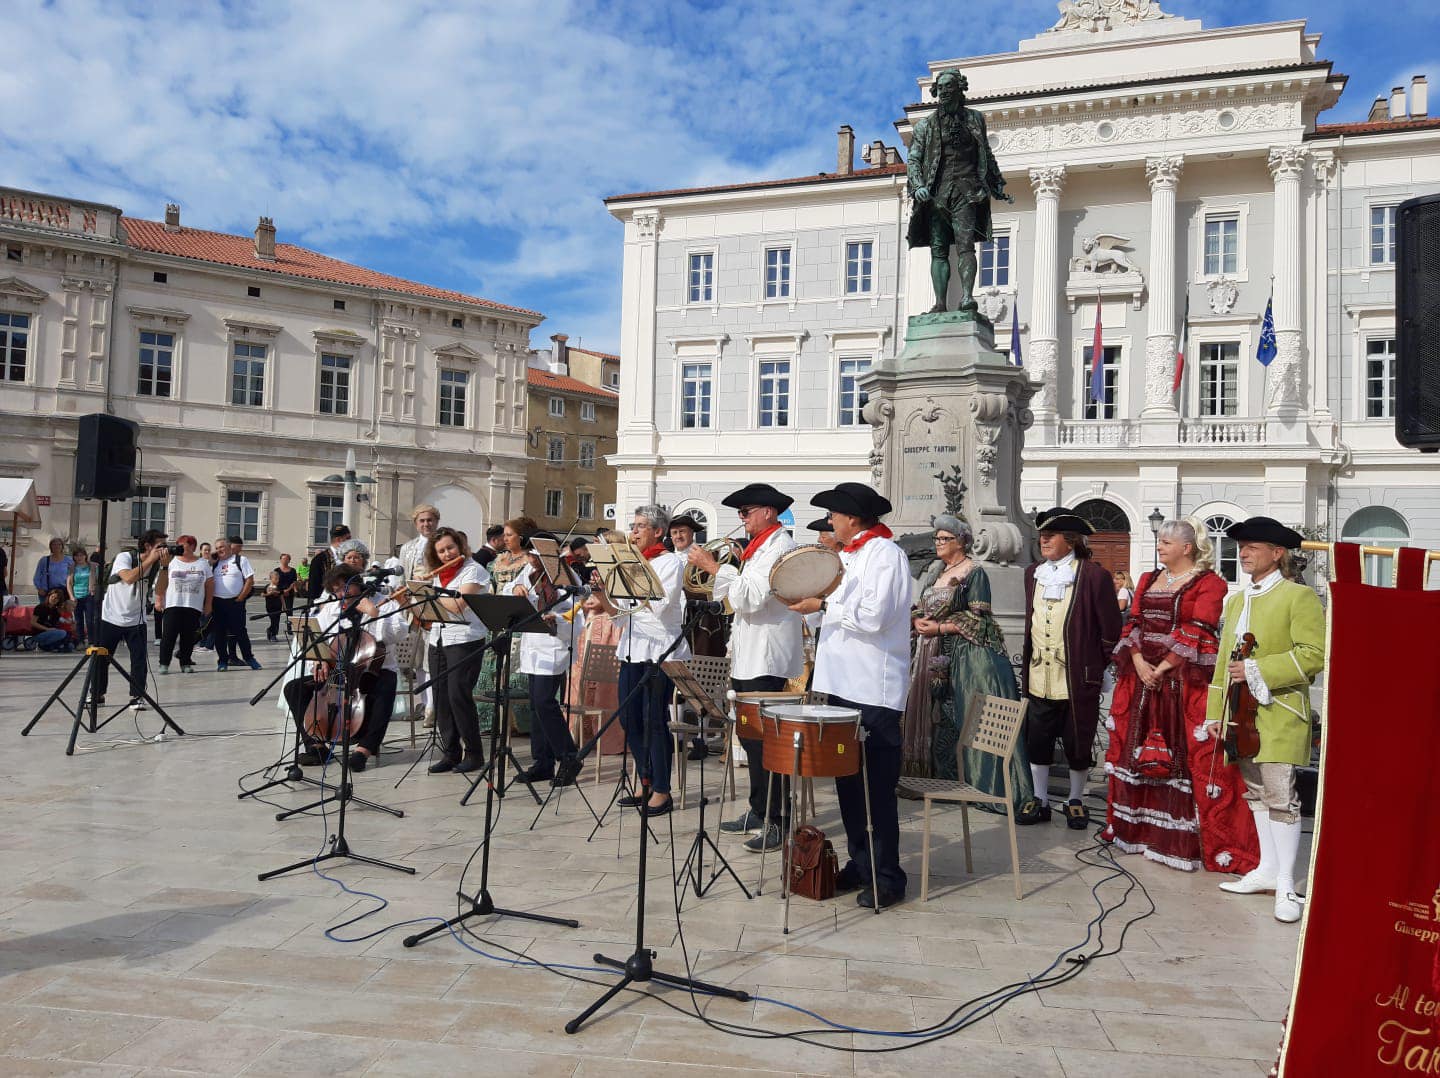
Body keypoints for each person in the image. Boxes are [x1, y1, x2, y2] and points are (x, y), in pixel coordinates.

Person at [1105, 519, 1259, 874]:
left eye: (1166, 542)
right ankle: (1139, 831)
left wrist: (1162, 668)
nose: (1159, 547)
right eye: (1160, 542)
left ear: (1187, 548)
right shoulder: (1146, 579)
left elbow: (1199, 628)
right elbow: (1134, 623)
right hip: (1144, 680)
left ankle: (1187, 840)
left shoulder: (1210, 583)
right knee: (1137, 752)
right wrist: (1142, 663)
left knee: (1191, 757)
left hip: (1184, 681)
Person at [788, 482, 911, 909]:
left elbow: (876, 618)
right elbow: (837, 620)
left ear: (853, 518)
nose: (830, 523)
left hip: (872, 689)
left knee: (875, 788)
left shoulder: (887, 555)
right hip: (839, 686)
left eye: (835, 516)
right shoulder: (846, 557)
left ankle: (888, 875)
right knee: (847, 784)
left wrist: (822, 607)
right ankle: (861, 863)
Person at [1205, 517, 1326, 924]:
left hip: (1279, 712)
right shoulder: (1237, 600)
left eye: (1252, 546)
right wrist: (1214, 713)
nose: (1243, 552)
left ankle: (1288, 885)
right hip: (1241, 715)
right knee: (1255, 794)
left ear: (1277, 553)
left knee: (1281, 797)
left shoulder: (1298, 597)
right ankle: (1267, 871)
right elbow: (1224, 662)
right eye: (1241, 546)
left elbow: (1314, 654)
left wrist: (1259, 669)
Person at [694, 483, 804, 853]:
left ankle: (778, 819)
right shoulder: (757, 549)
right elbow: (735, 598)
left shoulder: (781, 548)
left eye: (746, 512)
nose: (742, 519)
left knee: (769, 743)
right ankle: (759, 809)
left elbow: (752, 598)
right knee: (751, 739)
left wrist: (713, 567)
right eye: (740, 513)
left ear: (768, 512)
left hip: (767, 657)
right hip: (747, 653)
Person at [904, 515, 1033, 810]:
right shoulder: (936, 572)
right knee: (940, 716)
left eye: (944, 538)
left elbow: (980, 620)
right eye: (936, 538)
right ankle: (943, 778)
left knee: (965, 715)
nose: (938, 543)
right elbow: (922, 608)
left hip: (964, 654)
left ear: (961, 541)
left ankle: (980, 783)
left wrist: (939, 628)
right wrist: (918, 620)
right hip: (932, 651)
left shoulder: (974, 572)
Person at [1017, 508, 1123, 829]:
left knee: (1079, 740)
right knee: (1038, 740)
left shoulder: (1093, 575)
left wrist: (1095, 665)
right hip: (1039, 675)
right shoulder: (1032, 573)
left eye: (1052, 534)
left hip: (1077, 678)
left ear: (1072, 540)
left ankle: (1075, 799)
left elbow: (1110, 629)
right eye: (1042, 535)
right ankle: (1041, 799)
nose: (1044, 540)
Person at [593, 504, 691, 816]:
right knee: (629, 718)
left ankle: (662, 789)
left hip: (659, 651)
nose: (633, 533)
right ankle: (645, 778)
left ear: (658, 532)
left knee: (654, 719)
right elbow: (620, 616)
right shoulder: (631, 563)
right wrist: (602, 593)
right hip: (632, 648)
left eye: (639, 527)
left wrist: (628, 576)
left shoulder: (670, 563)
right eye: (632, 527)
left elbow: (660, 607)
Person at [906, 69, 1011, 314]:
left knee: (966, 246)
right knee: (938, 250)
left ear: (959, 89)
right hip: (936, 194)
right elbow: (913, 159)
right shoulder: (925, 126)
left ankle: (966, 298)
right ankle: (940, 303)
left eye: (948, 87)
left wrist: (997, 185)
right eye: (940, 88)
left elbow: (985, 153)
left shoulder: (975, 119)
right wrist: (919, 185)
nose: (943, 92)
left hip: (967, 191)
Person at [283, 565, 405, 770]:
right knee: (294, 688)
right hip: (337, 671)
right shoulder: (332, 608)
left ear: (357, 582)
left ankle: (363, 750)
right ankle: (316, 746)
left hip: (373, 671)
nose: (341, 593)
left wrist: (373, 613)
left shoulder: (383, 603)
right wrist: (320, 660)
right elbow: (317, 637)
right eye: (336, 589)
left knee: (385, 687)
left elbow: (399, 633)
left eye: (345, 587)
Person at [415, 527, 490, 773]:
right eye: (441, 551)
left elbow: (458, 605)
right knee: (441, 698)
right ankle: (450, 751)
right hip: (438, 639)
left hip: (466, 639)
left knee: (459, 695)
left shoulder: (474, 570)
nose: (447, 554)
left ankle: (474, 753)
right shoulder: (440, 575)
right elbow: (433, 610)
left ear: (459, 546)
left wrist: (430, 593)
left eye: (450, 548)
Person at [512, 531, 584, 785]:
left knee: (545, 702)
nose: (531, 558)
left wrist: (558, 621)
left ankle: (568, 757)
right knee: (535, 705)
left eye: (535, 553)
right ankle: (542, 762)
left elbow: (577, 615)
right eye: (529, 553)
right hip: (532, 645)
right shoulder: (528, 572)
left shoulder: (566, 575)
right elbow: (520, 592)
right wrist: (517, 589)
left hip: (553, 645)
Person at [93, 529, 166, 705]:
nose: (164, 549)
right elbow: (129, 578)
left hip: (136, 618)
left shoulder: (156, 564)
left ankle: (137, 695)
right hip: (112, 615)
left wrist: (165, 566)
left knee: (139, 660)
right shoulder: (125, 557)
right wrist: (151, 560)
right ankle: (96, 693)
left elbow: (160, 590)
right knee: (102, 657)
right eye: (160, 546)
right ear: (148, 546)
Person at [154, 535, 210, 674]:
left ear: (192, 546)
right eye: (178, 544)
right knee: (168, 635)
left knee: (188, 637)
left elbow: (209, 584)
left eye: (182, 544)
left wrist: (208, 604)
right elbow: (161, 582)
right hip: (173, 604)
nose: (179, 547)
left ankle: (185, 662)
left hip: (193, 605)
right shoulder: (171, 562)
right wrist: (159, 599)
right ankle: (164, 663)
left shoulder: (203, 563)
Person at [211, 536, 261, 671]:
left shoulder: (240, 560)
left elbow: (249, 580)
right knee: (220, 633)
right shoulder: (214, 563)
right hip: (218, 603)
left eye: (221, 547)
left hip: (235, 602)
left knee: (240, 632)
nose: (219, 550)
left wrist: (240, 598)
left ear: (229, 547)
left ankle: (249, 658)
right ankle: (222, 661)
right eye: (216, 548)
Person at [307, 524, 350, 600]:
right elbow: (314, 588)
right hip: (326, 604)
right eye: (348, 538)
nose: (350, 542)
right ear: (339, 540)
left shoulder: (351, 558)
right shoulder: (320, 559)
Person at [30, 587, 73, 652]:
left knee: (70, 646)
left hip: (51, 633)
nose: (53, 599)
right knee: (62, 633)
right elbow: (33, 622)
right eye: (52, 597)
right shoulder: (40, 607)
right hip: (39, 633)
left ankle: (50, 647)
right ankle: (42, 645)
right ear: (49, 596)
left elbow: (54, 624)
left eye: (56, 599)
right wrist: (47, 629)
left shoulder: (56, 611)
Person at [68, 545, 95, 646]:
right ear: (74, 557)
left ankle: (91, 641)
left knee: (90, 620)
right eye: (77, 555)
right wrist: (71, 596)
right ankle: (80, 641)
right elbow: (69, 583)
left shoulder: (91, 566)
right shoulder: (72, 568)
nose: (79, 557)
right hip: (76, 596)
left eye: (81, 555)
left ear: (85, 556)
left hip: (88, 595)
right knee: (78, 620)